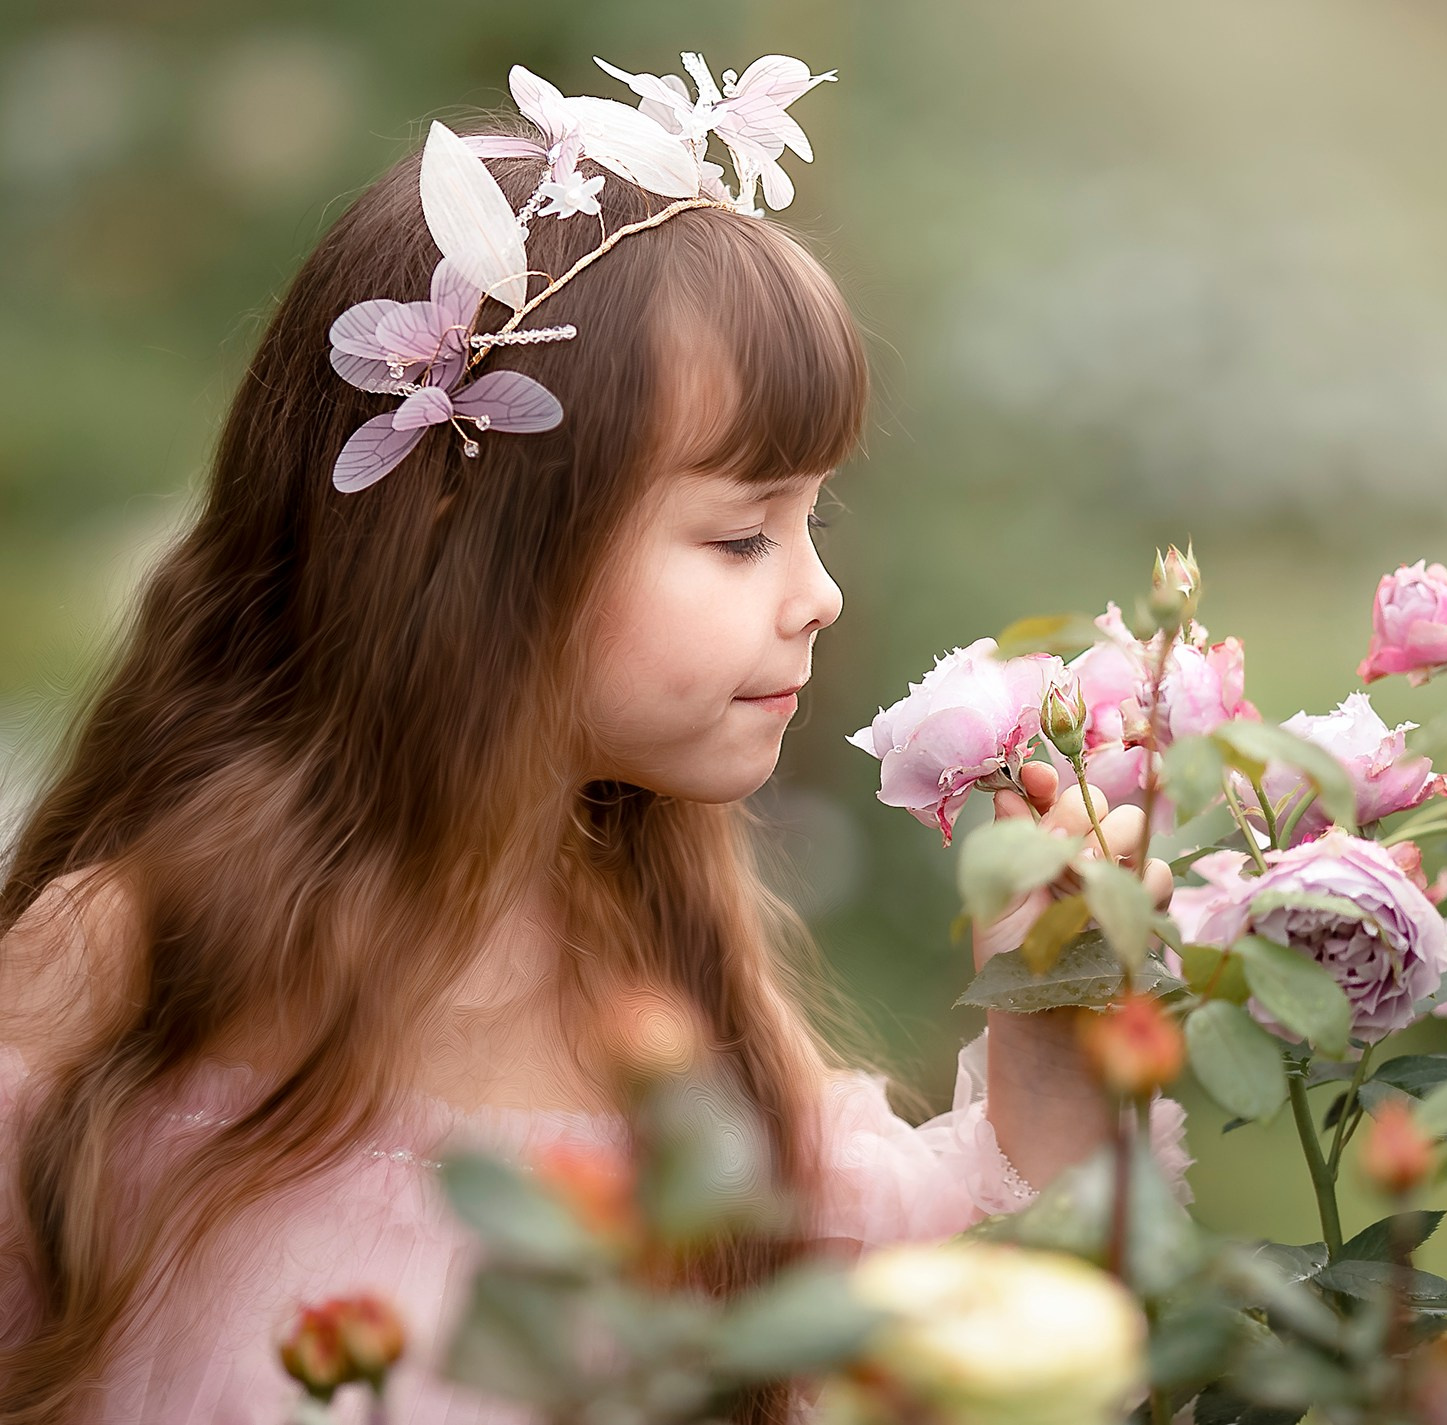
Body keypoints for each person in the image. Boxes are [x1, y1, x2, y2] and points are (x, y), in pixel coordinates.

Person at [0, 52, 1192, 1425]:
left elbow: (943, 1359)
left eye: (815, 520)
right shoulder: (135, 964)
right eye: (741, 533)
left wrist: (1052, 1033)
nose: (819, 592)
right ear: (472, 535)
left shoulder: (671, 997)